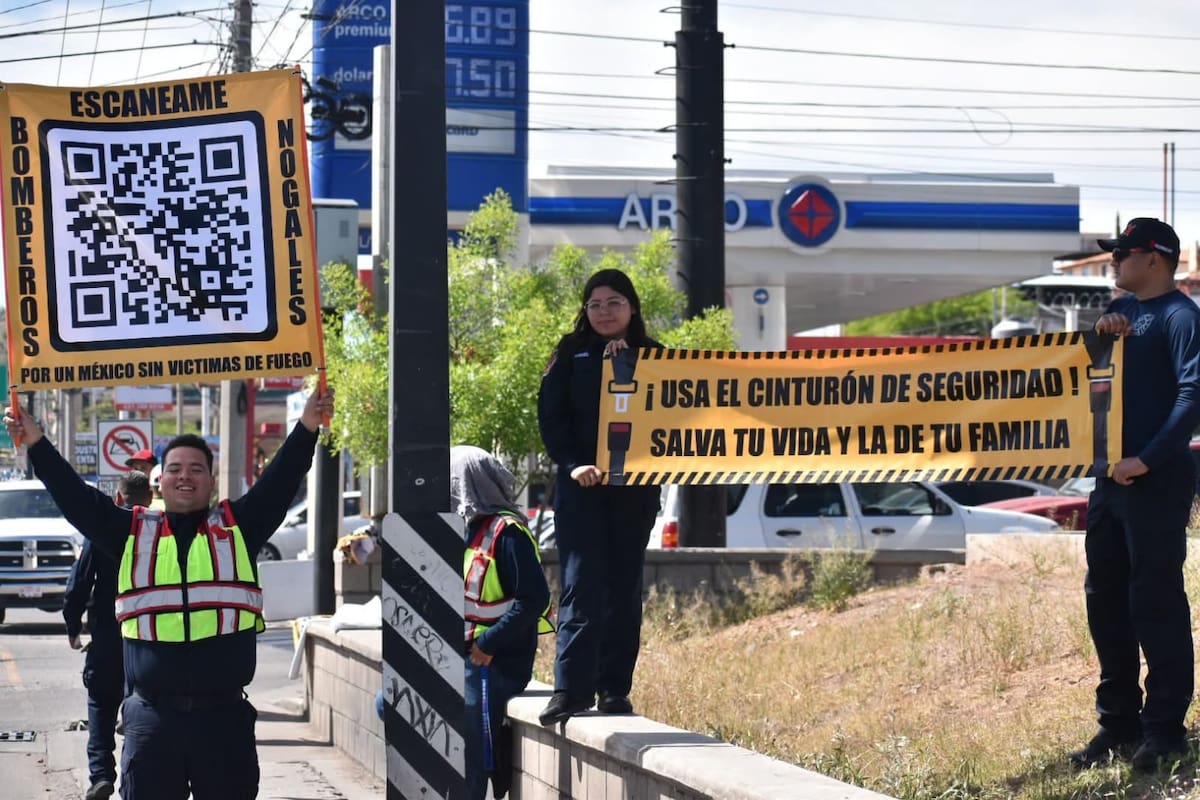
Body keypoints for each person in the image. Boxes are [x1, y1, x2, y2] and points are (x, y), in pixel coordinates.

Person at [5, 388, 334, 799]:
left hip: (224, 721)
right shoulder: (131, 533)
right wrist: (36, 443)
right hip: (151, 721)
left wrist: (306, 427)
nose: (185, 476)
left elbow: (281, 480)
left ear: (211, 481)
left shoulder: (237, 530)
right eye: (175, 468)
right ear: (160, 480)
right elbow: (76, 498)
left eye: (196, 469)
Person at [1069, 218, 1200, 773]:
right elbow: (1083, 384)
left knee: (1155, 601)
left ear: (1155, 258)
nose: (1114, 261)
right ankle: (1118, 723)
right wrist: (1101, 334)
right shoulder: (1120, 318)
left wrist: (1145, 459)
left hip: (1156, 479)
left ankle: (1165, 730)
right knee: (1106, 599)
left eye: (1122, 253)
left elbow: (1194, 395)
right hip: (1109, 482)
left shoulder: (1181, 317)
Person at [536, 268, 662, 725]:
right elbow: (551, 416)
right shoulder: (570, 354)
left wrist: (627, 366)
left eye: (614, 303)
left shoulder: (655, 356)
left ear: (632, 307)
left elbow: (674, 416)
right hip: (582, 489)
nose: (604, 312)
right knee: (581, 584)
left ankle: (613, 688)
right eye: (595, 304)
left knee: (623, 587)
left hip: (634, 492)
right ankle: (570, 689)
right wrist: (573, 464)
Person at [455, 445, 553, 798]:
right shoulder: (471, 531)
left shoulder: (507, 532)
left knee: (471, 746)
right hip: (466, 656)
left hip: (493, 662)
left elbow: (535, 599)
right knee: (388, 702)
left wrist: (487, 644)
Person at [63, 470, 152, 800]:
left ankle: (101, 775)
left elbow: (80, 581)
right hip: (147, 639)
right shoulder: (158, 534)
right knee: (140, 711)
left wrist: (73, 625)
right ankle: (135, 776)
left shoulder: (101, 532)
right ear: (150, 500)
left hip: (108, 635)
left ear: (118, 498)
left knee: (100, 704)